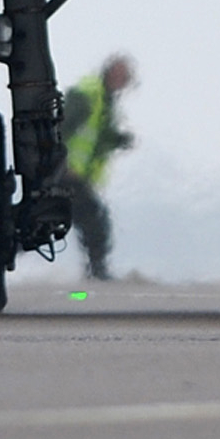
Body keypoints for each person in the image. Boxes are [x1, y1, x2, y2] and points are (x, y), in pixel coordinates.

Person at [58, 53, 137, 281]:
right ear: (112, 73)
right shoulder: (87, 95)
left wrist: (119, 140)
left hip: (77, 175)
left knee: (55, 220)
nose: (126, 81)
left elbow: (97, 136)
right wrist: (59, 164)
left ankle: (97, 268)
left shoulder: (105, 99)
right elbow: (62, 129)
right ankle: (98, 270)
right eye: (123, 75)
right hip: (67, 173)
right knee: (94, 220)